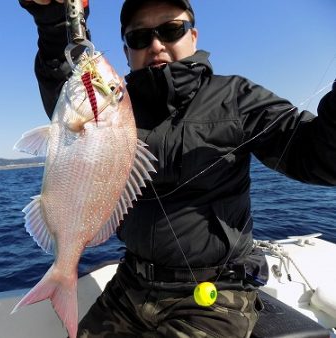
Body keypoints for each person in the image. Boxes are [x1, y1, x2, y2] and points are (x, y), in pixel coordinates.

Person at [19, 0, 336, 337]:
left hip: (216, 294)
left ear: (194, 36)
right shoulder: (117, 104)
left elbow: (317, 158)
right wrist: (55, 18)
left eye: (171, 30)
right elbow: (64, 88)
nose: (156, 45)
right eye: (140, 37)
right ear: (126, 51)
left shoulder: (238, 97)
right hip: (130, 283)